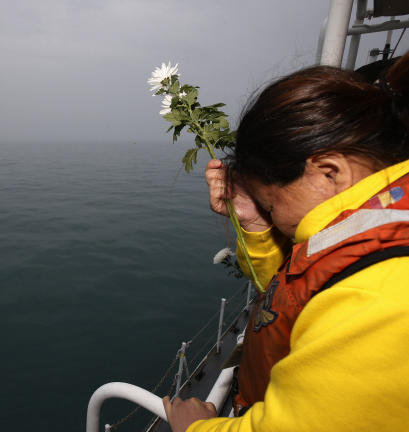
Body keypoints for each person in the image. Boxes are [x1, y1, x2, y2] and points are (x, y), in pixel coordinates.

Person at [162, 51, 409, 432]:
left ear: (329, 173)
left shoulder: (384, 299)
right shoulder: (369, 224)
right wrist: (257, 223)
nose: (276, 220)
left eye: (271, 205)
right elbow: (299, 288)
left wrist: (195, 428)